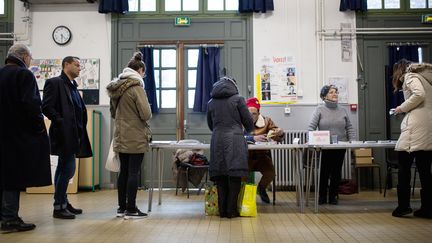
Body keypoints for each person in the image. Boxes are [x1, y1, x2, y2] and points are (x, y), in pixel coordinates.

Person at [0, 43, 51, 232]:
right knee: (13, 177)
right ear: (24, 57)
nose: (30, 61)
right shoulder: (24, 75)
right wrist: (39, 128)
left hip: (3, 135)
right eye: (30, 57)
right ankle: (10, 219)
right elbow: (31, 105)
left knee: (3, 176)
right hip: (18, 136)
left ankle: (4, 215)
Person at [42, 56, 92, 219]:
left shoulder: (72, 86)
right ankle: (59, 206)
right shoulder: (55, 83)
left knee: (64, 168)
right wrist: (60, 121)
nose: (79, 68)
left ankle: (62, 203)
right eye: (77, 65)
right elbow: (47, 107)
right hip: (64, 133)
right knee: (68, 169)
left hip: (74, 134)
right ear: (66, 65)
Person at [106, 52, 152, 219]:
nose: (144, 76)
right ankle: (131, 209)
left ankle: (122, 208)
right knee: (134, 172)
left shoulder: (117, 86)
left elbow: (112, 112)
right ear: (139, 70)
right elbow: (146, 114)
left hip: (120, 134)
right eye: (144, 73)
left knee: (124, 172)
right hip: (135, 135)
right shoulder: (136, 87)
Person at [207, 76, 254, 218]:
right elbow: (249, 125)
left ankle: (222, 211)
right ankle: (231, 211)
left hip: (217, 139)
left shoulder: (211, 102)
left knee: (220, 176)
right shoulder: (238, 99)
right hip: (235, 140)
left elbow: (210, 125)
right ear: (234, 86)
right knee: (234, 175)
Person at [391, 59, 432, 218]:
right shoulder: (427, 79)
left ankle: (403, 206)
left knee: (404, 168)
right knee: (425, 171)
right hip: (427, 127)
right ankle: (427, 208)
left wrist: (402, 108)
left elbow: (419, 94)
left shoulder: (409, 76)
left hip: (416, 127)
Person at [308, 85, 355, 205]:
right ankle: (322, 196)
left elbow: (349, 127)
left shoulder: (343, 110)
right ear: (324, 96)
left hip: (340, 146)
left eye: (336, 92)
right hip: (324, 147)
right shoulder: (319, 109)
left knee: (336, 172)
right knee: (324, 172)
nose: (335, 94)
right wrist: (311, 140)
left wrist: (353, 141)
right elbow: (311, 128)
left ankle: (333, 196)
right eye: (331, 92)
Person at [244, 97, 283, 204]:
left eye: (254, 113)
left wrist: (280, 133)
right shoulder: (240, 121)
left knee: (270, 173)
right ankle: (243, 195)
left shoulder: (267, 121)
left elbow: (277, 135)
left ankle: (261, 188)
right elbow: (235, 137)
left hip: (262, 156)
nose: (251, 116)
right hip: (245, 156)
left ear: (259, 112)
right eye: (249, 113)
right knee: (240, 174)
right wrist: (252, 138)